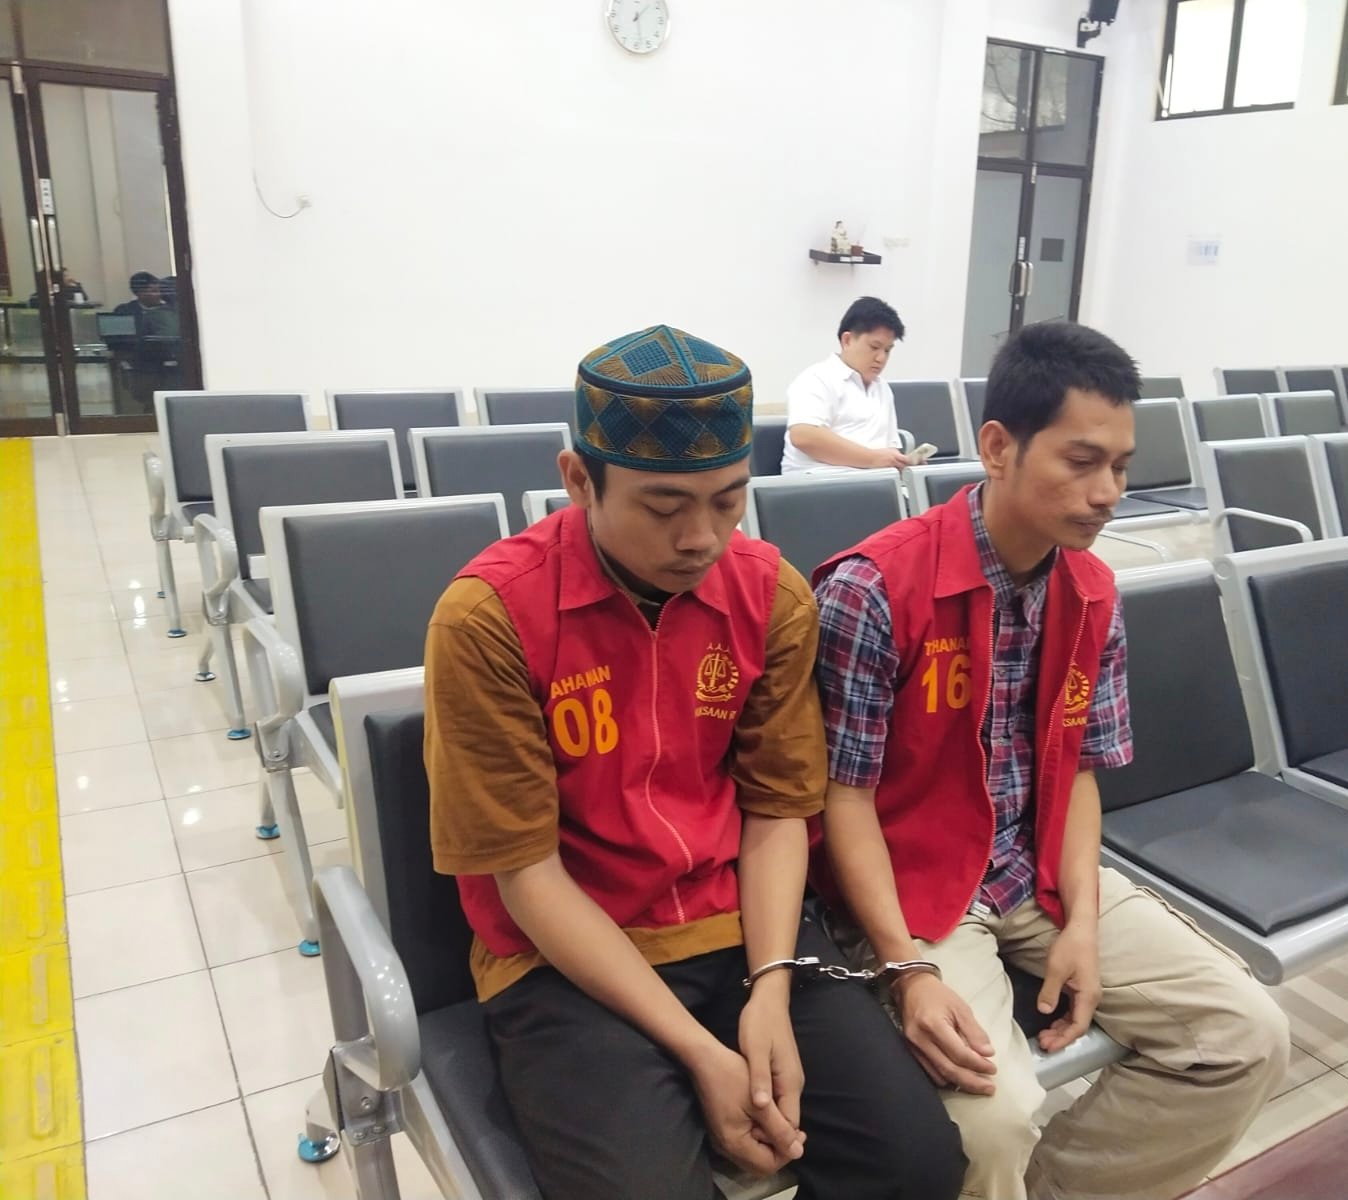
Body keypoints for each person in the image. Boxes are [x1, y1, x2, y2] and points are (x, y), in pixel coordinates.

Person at [424, 324, 965, 1200]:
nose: (702, 538)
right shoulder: (490, 619)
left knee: (917, 1164)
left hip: (739, 927)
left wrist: (770, 990)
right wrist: (701, 1052)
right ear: (578, 480)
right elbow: (525, 875)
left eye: (728, 500)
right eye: (664, 507)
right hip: (565, 959)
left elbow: (777, 811)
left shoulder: (770, 594)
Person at [810, 320, 1290, 1200]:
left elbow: (1079, 774)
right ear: (998, 448)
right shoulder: (874, 591)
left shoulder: (1092, 590)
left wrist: (1084, 925)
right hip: (917, 893)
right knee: (989, 1124)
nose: (1107, 493)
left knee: (1245, 1038)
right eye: (1081, 461)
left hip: (1038, 870)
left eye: (1122, 467)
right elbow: (844, 803)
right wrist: (906, 967)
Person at [782, 296, 911, 473]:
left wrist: (901, 462)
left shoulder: (882, 388)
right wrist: (872, 459)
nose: (881, 358)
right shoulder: (816, 378)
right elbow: (804, 436)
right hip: (820, 481)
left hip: (875, 481)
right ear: (847, 340)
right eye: (874, 347)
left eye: (887, 350)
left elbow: (889, 448)